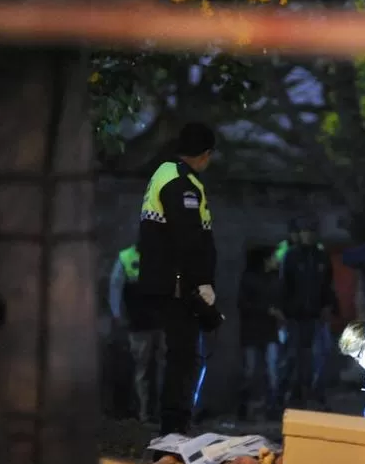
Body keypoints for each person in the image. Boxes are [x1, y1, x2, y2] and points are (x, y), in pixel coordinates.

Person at [137, 122, 218, 436]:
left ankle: (174, 424)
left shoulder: (164, 174)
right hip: (179, 286)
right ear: (205, 154)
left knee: (178, 355)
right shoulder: (182, 183)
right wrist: (201, 286)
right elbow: (188, 240)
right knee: (183, 357)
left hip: (170, 284)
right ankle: (174, 428)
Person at [280, 216, 338, 409]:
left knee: (320, 357)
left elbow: (328, 285)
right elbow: (284, 286)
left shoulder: (321, 257)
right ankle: (293, 397)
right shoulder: (291, 256)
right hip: (295, 317)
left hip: (316, 316)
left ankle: (316, 396)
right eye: (305, 232)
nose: (308, 235)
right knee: (295, 357)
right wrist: (285, 312)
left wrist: (329, 307)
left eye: (311, 232)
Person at [108, 243, 166, 422]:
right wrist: (117, 314)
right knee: (143, 370)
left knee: (162, 369)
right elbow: (115, 287)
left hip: (162, 323)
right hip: (140, 324)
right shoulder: (126, 258)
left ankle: (160, 412)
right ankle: (144, 413)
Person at [237, 246, 285, 422]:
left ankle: (272, 406)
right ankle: (245, 407)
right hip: (253, 331)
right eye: (273, 257)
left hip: (270, 331)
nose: (277, 261)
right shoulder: (249, 278)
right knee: (250, 371)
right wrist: (267, 310)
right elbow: (243, 304)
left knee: (272, 370)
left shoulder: (275, 279)